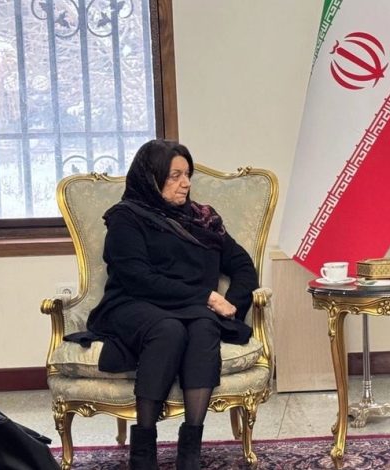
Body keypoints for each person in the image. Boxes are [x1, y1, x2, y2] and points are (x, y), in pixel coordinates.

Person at [86, 139, 259, 469]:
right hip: (133, 303)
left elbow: (242, 265)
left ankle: (190, 452)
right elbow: (138, 278)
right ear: (151, 178)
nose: (186, 183)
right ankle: (143, 452)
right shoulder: (127, 218)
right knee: (168, 330)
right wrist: (207, 297)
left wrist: (230, 305)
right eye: (175, 176)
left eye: (188, 174)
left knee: (205, 326)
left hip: (190, 308)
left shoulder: (203, 219)